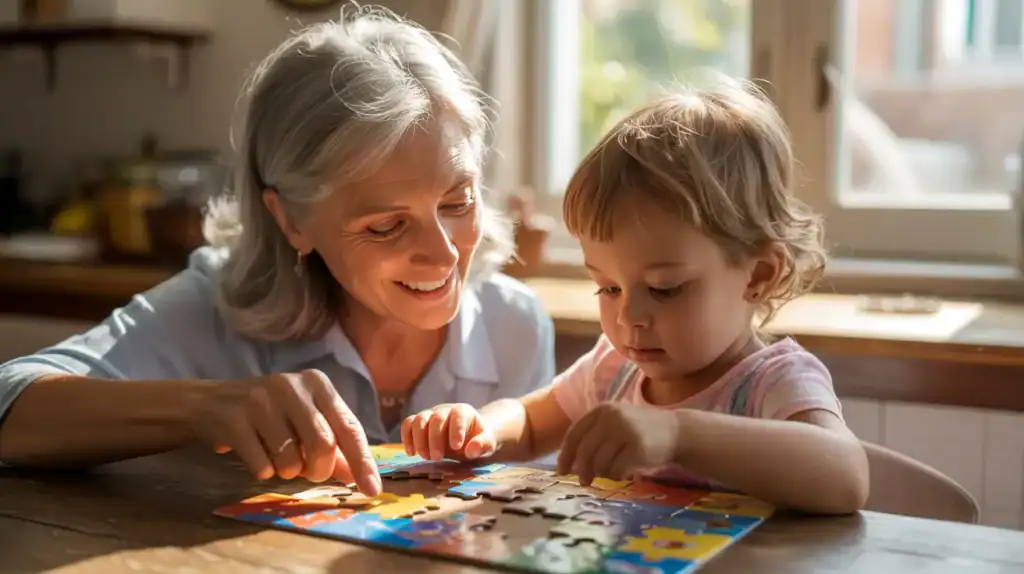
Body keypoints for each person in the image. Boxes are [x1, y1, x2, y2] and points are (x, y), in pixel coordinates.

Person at [0, 7, 555, 497]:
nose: (442, 255)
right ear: (291, 219)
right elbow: (11, 403)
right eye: (386, 226)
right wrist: (205, 408)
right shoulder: (214, 310)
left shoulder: (515, 326)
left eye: (458, 201)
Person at [400, 78, 870, 514]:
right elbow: (529, 420)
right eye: (607, 287)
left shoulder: (773, 381)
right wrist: (478, 427)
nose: (629, 317)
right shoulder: (615, 369)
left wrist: (678, 433)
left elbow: (845, 475)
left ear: (758, 276)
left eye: (665, 289)